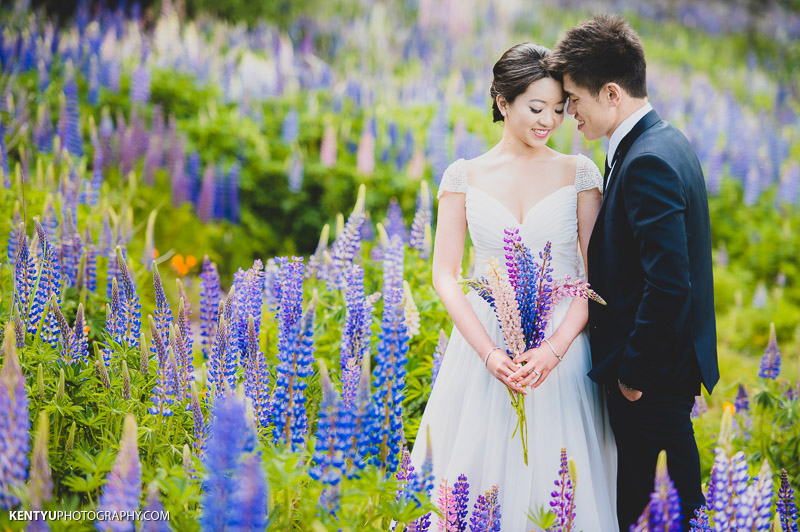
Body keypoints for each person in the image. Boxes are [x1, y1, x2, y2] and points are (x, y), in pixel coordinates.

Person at [408, 42, 618, 531]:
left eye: (560, 109)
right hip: (484, 344)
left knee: (558, 478)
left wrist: (554, 349)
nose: (549, 121)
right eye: (536, 107)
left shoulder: (580, 173)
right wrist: (487, 353)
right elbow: (444, 275)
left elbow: (597, 279)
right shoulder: (464, 176)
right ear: (503, 102)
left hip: (560, 349)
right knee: (475, 479)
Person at [546, 14, 719, 531]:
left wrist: (632, 376)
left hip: (653, 377)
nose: (568, 111)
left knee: (660, 508)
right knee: (670, 503)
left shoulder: (648, 161)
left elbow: (669, 284)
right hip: (662, 372)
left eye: (574, 98)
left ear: (612, 93)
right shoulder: (661, 141)